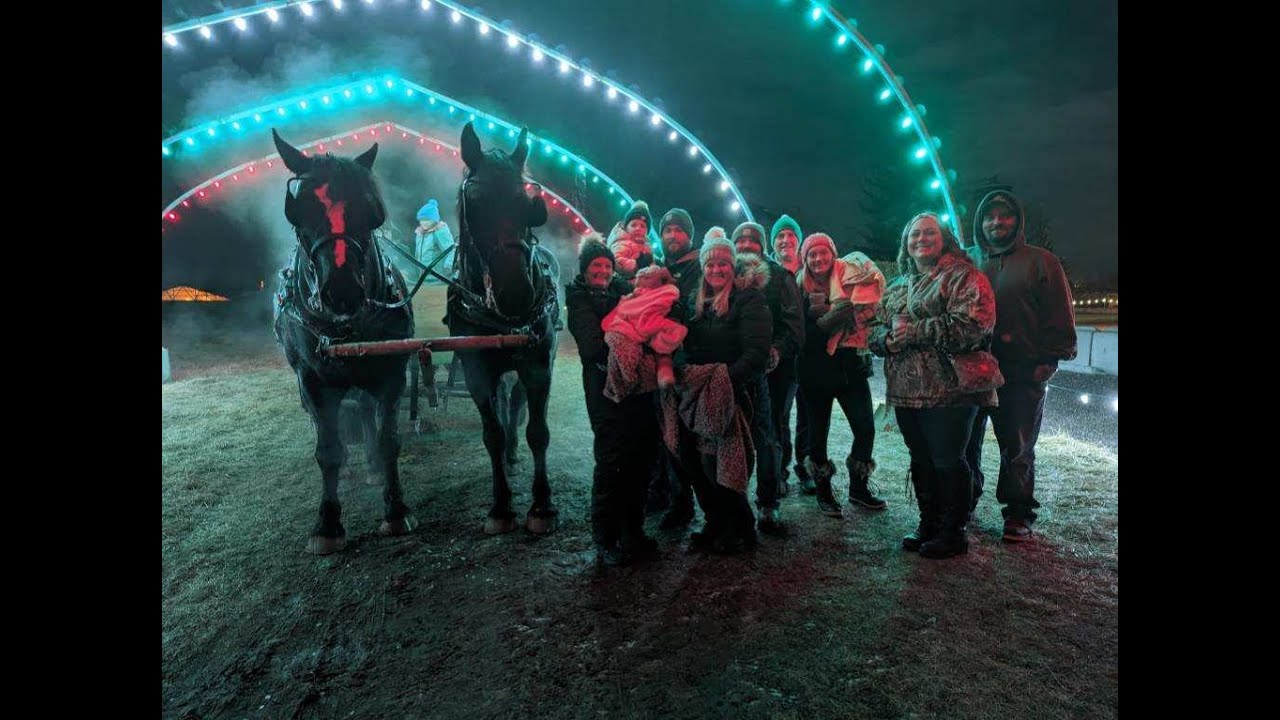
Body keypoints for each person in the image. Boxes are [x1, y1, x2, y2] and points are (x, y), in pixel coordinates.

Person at [869, 213, 999, 559]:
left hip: (952, 390)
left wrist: (915, 331)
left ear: (944, 238)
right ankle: (928, 523)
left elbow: (974, 326)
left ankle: (953, 531)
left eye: (929, 233)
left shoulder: (965, 277)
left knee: (948, 459)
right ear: (905, 243)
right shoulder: (898, 284)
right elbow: (871, 330)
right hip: (907, 391)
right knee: (921, 459)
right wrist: (886, 340)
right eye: (914, 234)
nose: (920, 239)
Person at [963, 190, 1077, 542]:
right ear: (980, 222)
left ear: (1017, 220)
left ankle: (1017, 512)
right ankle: (962, 502)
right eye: (990, 216)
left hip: (1022, 371)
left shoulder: (1041, 262)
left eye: (1004, 216)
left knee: (1017, 445)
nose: (996, 222)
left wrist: (1050, 359)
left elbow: (1059, 313)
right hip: (971, 370)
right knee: (965, 442)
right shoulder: (967, 261)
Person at [664, 235, 773, 553]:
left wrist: (723, 379)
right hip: (696, 390)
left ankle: (736, 526)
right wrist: (682, 368)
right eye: (710, 263)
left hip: (733, 391)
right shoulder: (693, 301)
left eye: (723, 263)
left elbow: (756, 352)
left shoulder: (748, 300)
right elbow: (678, 337)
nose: (716, 269)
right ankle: (714, 520)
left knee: (722, 462)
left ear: (732, 265)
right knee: (694, 460)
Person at [565, 234, 659, 566]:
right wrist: (630, 337)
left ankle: (633, 531)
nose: (602, 271)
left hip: (634, 389)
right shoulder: (578, 301)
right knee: (611, 460)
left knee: (639, 458)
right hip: (602, 389)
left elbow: (650, 306)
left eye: (606, 265)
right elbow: (592, 348)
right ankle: (605, 538)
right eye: (595, 266)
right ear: (585, 269)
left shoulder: (621, 289)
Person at [795, 232, 887, 516]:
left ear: (832, 254)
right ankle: (824, 492)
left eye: (823, 252)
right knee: (817, 434)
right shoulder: (799, 287)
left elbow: (870, 312)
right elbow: (800, 334)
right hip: (814, 370)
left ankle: (858, 488)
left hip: (850, 368)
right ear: (805, 259)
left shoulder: (850, 280)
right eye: (812, 254)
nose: (818, 258)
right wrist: (829, 320)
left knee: (865, 428)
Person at [732, 222, 803, 534]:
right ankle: (734, 502)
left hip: (776, 370)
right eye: (741, 239)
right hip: (738, 368)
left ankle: (768, 501)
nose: (747, 244)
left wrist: (776, 351)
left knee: (769, 433)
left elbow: (795, 325)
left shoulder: (780, 277)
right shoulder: (725, 273)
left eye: (753, 239)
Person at [607, 200, 656, 280]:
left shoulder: (648, 247)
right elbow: (615, 261)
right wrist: (636, 264)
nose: (638, 228)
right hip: (624, 283)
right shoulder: (621, 242)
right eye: (633, 225)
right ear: (626, 227)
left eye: (642, 226)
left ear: (647, 231)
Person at [413, 199, 455, 280]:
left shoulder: (439, 232)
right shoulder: (420, 234)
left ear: (434, 220)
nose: (423, 222)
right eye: (421, 220)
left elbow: (451, 249)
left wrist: (448, 267)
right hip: (423, 279)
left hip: (437, 279)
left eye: (427, 219)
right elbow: (418, 254)